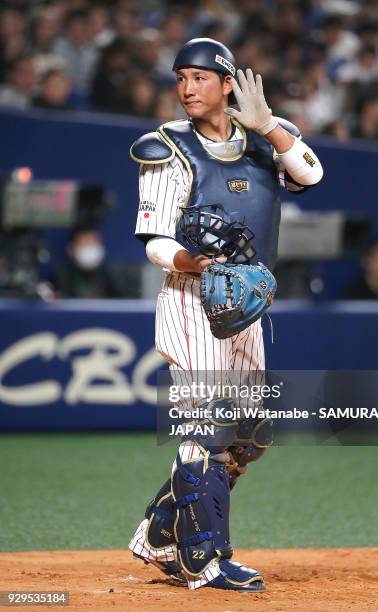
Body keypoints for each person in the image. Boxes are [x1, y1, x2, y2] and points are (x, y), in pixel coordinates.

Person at [128, 38, 323, 591]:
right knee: (205, 427)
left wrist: (269, 127)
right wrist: (196, 260)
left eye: (200, 77)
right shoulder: (166, 147)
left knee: (251, 435)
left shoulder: (264, 140)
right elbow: (155, 243)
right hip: (191, 299)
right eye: (181, 78)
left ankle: (163, 533)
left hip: (244, 305)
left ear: (228, 83)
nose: (188, 88)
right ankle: (203, 559)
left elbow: (310, 175)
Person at [51, 228, 122, 299]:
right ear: (71, 250)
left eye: (92, 243)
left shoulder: (110, 275)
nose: (88, 248)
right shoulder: (61, 276)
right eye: (83, 243)